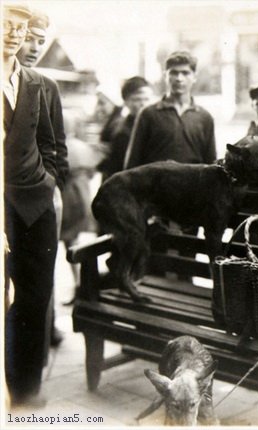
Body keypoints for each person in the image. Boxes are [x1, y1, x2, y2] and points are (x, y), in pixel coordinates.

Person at [3, 4, 58, 407]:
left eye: (20, 28)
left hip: (36, 206)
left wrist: (48, 181)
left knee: (35, 297)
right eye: (6, 26)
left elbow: (52, 145)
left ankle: (26, 392)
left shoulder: (36, 84)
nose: (15, 35)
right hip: (1, 206)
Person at [16, 7, 69, 350]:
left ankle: (45, 332)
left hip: (39, 198)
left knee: (39, 279)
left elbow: (57, 146)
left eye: (41, 41)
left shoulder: (46, 87)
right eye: (29, 39)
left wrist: (51, 183)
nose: (35, 47)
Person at [124, 50, 216, 169]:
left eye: (185, 73)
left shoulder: (204, 117)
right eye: (174, 73)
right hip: (156, 185)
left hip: (192, 186)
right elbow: (133, 163)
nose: (179, 78)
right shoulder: (148, 114)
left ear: (194, 77)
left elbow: (211, 164)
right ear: (165, 76)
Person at [97, 76, 153, 180]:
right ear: (126, 102)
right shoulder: (122, 131)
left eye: (147, 99)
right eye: (137, 99)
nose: (143, 104)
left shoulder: (156, 126)